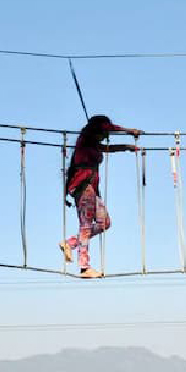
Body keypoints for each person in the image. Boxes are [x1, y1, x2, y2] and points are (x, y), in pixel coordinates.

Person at [59, 115, 142, 278]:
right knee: (86, 225)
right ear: (98, 129)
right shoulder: (85, 139)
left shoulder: (92, 145)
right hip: (83, 187)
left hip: (92, 189)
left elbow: (109, 149)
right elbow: (106, 127)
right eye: (105, 132)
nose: (107, 136)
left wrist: (127, 147)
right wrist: (128, 131)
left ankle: (70, 243)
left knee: (105, 223)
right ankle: (84, 267)